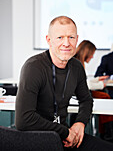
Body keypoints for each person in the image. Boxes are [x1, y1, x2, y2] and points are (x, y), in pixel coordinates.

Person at [15, 16, 113, 150]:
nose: (66, 43)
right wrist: (65, 132)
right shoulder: (34, 67)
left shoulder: (76, 67)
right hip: (37, 138)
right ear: (49, 40)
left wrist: (80, 123)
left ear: (77, 39)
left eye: (71, 37)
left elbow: (86, 100)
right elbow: (24, 120)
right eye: (60, 37)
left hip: (64, 137)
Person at [74, 40, 113, 142]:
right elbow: (81, 85)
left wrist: (97, 80)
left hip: (80, 93)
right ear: (87, 52)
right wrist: (101, 84)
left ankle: (106, 132)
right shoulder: (76, 63)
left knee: (104, 96)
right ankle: (108, 132)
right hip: (78, 95)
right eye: (91, 54)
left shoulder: (78, 62)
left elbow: (83, 82)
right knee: (105, 97)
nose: (92, 57)